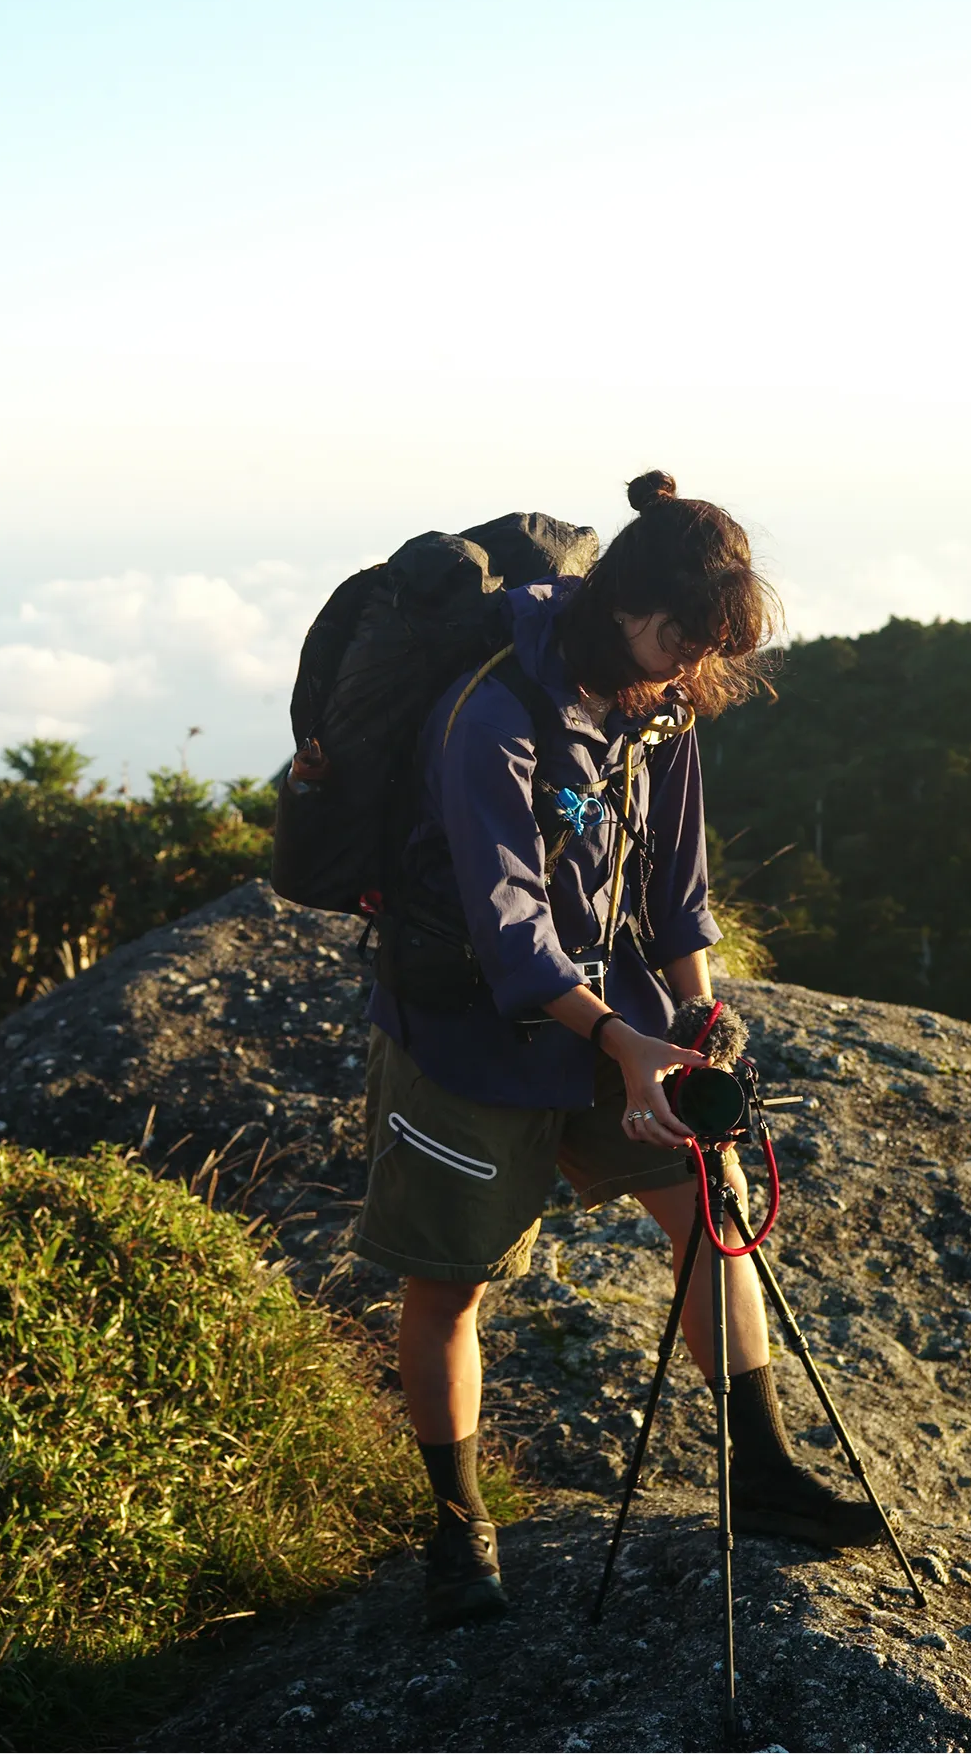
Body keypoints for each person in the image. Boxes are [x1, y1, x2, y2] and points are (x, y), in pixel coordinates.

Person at [356, 471, 880, 1626]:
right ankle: (458, 1533)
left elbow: (678, 883)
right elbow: (508, 933)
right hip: (467, 1031)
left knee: (713, 1204)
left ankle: (763, 1468)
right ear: (614, 601)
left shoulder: (662, 698)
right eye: (673, 636)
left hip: (615, 1009)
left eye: (705, 646)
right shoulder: (489, 711)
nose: (683, 663)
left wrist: (696, 1019)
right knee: (451, 1282)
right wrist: (629, 1050)